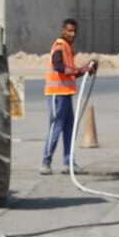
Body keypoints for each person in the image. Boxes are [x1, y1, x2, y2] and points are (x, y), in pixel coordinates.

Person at [41, 18, 96, 175]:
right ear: (63, 30)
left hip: (66, 94)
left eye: (74, 31)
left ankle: (68, 163)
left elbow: (70, 73)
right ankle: (46, 162)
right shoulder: (59, 46)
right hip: (56, 94)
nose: (72, 34)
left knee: (69, 129)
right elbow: (59, 67)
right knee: (56, 127)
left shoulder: (68, 48)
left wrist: (86, 70)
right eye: (69, 30)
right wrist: (81, 69)